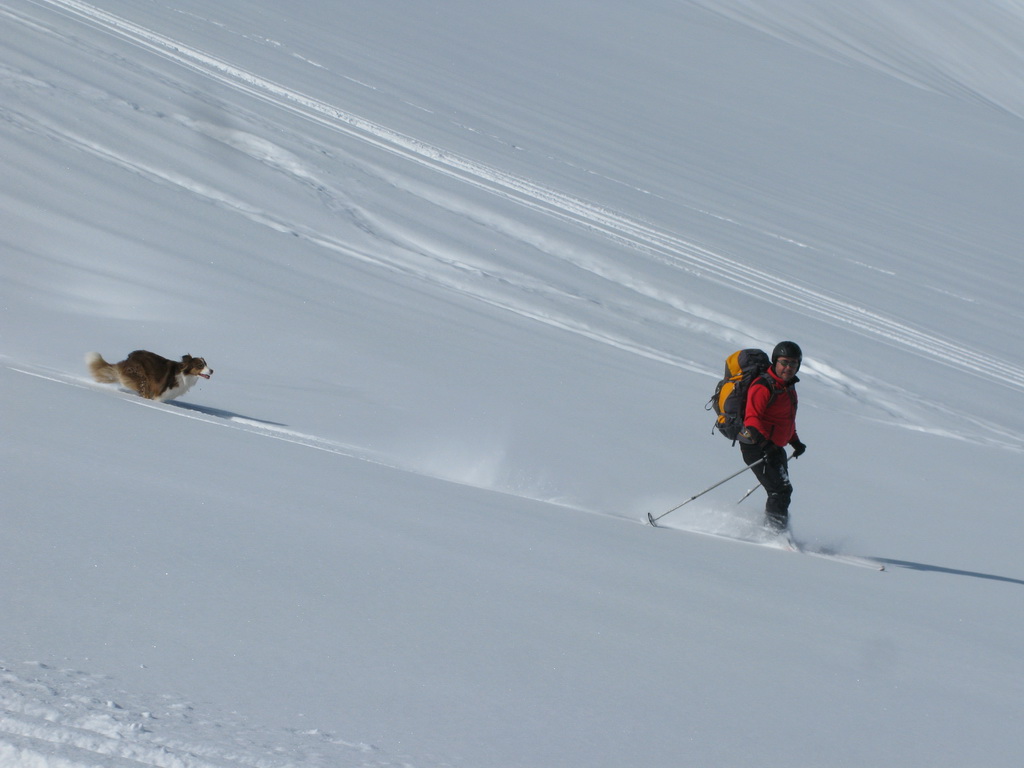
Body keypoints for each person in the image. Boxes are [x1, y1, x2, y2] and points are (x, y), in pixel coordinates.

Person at [738, 341, 807, 532]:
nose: (788, 367)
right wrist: (765, 445)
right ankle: (773, 533)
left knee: (783, 490)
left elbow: (786, 419)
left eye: (793, 363)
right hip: (756, 445)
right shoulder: (763, 386)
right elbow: (752, 420)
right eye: (784, 362)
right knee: (779, 490)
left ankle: (775, 529)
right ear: (775, 361)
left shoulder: (788, 387)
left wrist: (795, 441)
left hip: (775, 447)